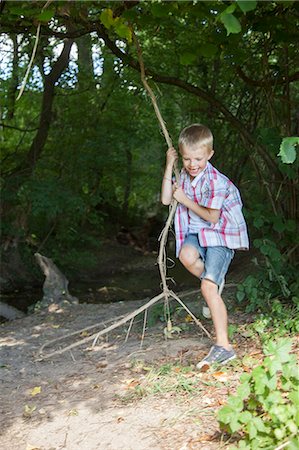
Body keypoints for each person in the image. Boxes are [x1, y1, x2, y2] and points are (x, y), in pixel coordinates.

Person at [161, 124, 249, 369]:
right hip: (199, 234)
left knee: (207, 289)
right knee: (186, 255)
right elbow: (167, 198)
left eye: (198, 159)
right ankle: (213, 282)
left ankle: (224, 347)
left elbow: (212, 217)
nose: (192, 164)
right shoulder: (185, 176)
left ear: (209, 155)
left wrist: (185, 200)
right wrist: (170, 164)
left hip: (221, 235)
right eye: (187, 159)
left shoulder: (216, 181)